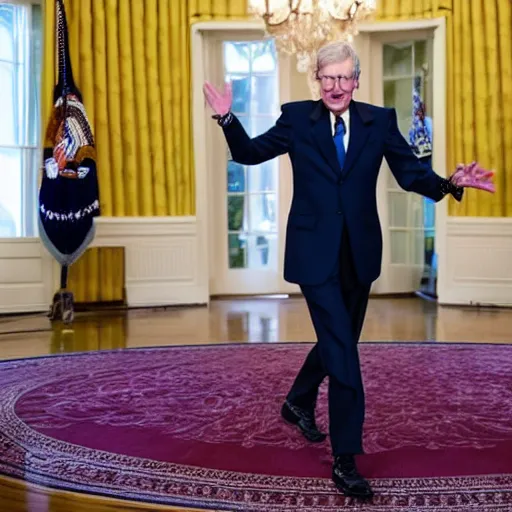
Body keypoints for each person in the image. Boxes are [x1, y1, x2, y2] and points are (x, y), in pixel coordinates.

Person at [203, 41, 494, 500]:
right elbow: (250, 153)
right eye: (327, 77)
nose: (336, 86)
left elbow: (408, 172)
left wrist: (449, 183)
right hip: (313, 254)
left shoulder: (379, 121)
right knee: (344, 355)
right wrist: (226, 119)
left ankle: (297, 400)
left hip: (359, 254)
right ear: (317, 81)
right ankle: (345, 458)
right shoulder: (297, 118)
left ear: (356, 81)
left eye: (344, 77)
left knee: (339, 341)